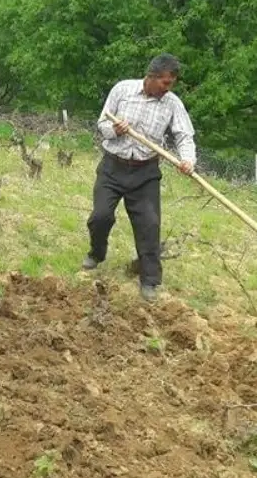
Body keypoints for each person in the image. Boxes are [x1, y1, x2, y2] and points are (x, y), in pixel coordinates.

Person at [82, 54, 196, 301]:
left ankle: (150, 281)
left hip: (145, 172)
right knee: (100, 217)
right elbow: (102, 124)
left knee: (150, 225)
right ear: (152, 77)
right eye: (166, 83)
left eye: (172, 84)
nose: (169, 89)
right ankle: (96, 253)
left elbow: (184, 135)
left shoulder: (172, 104)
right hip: (113, 167)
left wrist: (188, 160)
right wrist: (114, 130)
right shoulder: (122, 90)